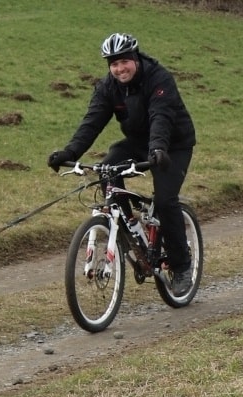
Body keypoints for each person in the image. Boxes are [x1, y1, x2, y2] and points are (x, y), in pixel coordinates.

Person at [47, 32, 196, 296]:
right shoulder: (109, 87)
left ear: (135, 58)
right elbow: (92, 122)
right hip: (139, 142)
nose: (119, 69)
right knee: (107, 169)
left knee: (164, 201)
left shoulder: (158, 79)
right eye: (113, 64)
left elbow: (161, 116)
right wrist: (69, 151)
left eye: (123, 62)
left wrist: (158, 149)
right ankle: (130, 226)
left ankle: (182, 265)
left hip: (172, 144)